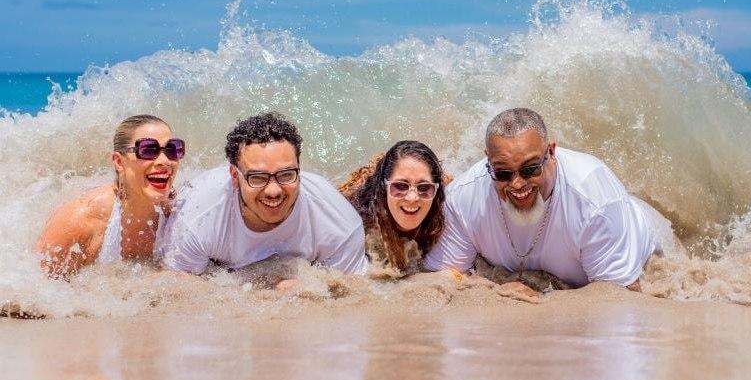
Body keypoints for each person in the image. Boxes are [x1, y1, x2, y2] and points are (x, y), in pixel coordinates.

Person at [424, 108, 656, 290]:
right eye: (503, 173)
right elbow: (444, 281)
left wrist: (545, 304)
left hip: (648, 248)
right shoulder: (463, 198)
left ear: (551, 153)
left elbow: (619, 298)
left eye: (530, 169)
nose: (517, 184)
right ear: (489, 161)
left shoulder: (594, 200)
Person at [162, 112, 368, 276]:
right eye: (258, 178)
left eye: (286, 174)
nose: (273, 190)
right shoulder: (197, 218)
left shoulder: (339, 223)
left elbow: (352, 299)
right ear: (234, 176)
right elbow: (179, 292)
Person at [37, 114, 184, 278]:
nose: (164, 161)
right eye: (148, 150)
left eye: (172, 150)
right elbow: (37, 290)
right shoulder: (81, 221)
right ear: (119, 162)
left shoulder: (181, 215)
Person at [341, 140, 446, 275]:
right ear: (385, 187)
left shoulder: (446, 208)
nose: (412, 198)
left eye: (424, 187)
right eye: (401, 186)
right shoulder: (359, 222)